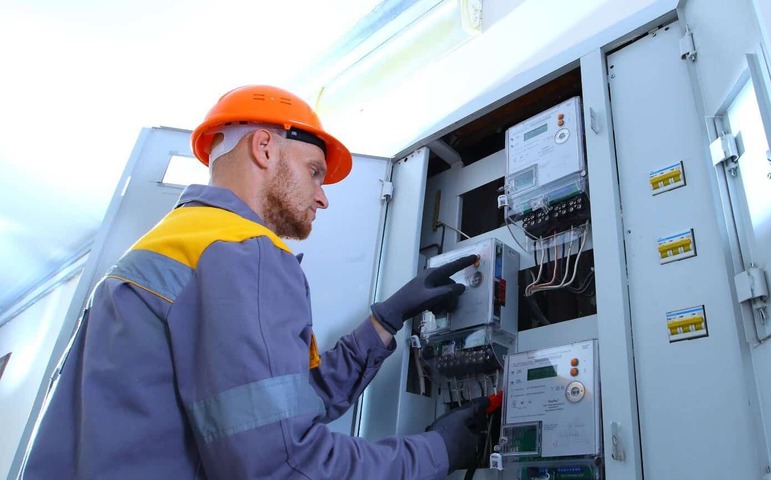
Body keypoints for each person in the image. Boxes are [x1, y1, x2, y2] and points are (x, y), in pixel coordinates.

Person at [23, 85, 488, 479]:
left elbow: (276, 409)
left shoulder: (169, 246)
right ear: (264, 147)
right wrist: (436, 452)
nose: (323, 198)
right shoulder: (242, 251)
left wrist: (384, 321)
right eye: (314, 172)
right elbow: (285, 463)